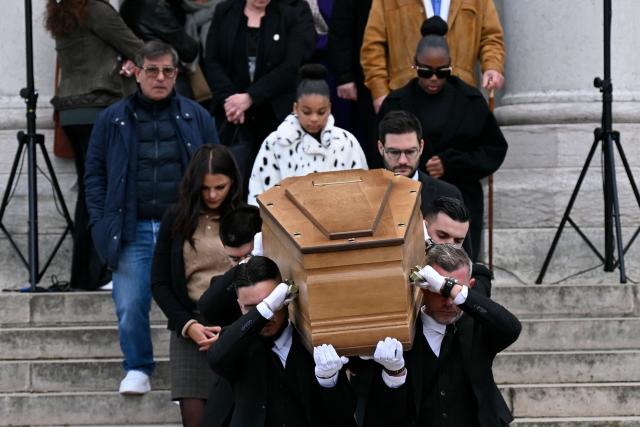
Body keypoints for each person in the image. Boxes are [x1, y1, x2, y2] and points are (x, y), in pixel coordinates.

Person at [85, 40, 220, 395]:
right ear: (137, 72)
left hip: (184, 227)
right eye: (152, 70)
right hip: (133, 227)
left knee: (199, 300)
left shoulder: (196, 116)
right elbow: (94, 175)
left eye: (168, 71)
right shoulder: (111, 119)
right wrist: (100, 224)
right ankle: (138, 367)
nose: (160, 78)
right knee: (130, 303)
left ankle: (199, 376)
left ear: (176, 75)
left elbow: (215, 167)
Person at [379, 18, 508, 261]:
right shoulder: (397, 102)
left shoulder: (470, 100)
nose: (434, 79)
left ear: (452, 66)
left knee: (461, 261)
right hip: (405, 199)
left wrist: (452, 164)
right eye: (426, 72)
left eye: (442, 72)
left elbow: (494, 150)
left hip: (461, 197)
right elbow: (379, 151)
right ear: (414, 65)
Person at [363, 244, 521, 426]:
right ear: (423, 287)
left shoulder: (478, 327)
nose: (448, 302)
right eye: (438, 291)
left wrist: (447, 286)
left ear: (469, 287)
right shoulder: (402, 333)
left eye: (453, 291)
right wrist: (393, 374)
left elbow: (511, 328)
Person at [45, 0, 143, 290]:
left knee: (89, 193)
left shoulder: (61, 10)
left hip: (72, 112)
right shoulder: (96, 9)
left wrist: (125, 61)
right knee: (104, 191)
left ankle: (83, 275)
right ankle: (98, 273)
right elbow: (137, 47)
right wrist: (132, 60)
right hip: (100, 108)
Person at [150, 144, 242, 426]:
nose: (213, 195)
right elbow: (159, 281)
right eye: (205, 188)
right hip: (190, 330)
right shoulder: (176, 219)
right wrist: (188, 325)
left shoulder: (246, 217)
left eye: (220, 187)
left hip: (235, 330)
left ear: (233, 184)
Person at [207, 255, 357, 426]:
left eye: (274, 302)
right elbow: (216, 357)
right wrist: (266, 307)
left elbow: (345, 411)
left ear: (286, 297)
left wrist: (330, 381)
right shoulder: (236, 344)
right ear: (240, 306)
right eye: (252, 308)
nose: (268, 316)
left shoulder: (312, 339)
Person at [203, 0, 316, 179]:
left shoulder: (289, 16)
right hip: (232, 114)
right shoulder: (224, 11)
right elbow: (211, 60)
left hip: (273, 112)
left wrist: (250, 97)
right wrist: (231, 101)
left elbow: (290, 66)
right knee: (233, 176)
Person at [248, 64, 368, 205]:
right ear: (295, 108)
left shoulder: (346, 142)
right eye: (307, 111)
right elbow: (259, 196)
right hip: (285, 225)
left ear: (329, 108)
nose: (314, 118)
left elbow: (362, 193)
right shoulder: (275, 143)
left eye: (321, 112)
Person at [361, 0, 505, 113]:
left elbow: (491, 38)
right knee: (412, 149)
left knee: (460, 150)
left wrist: (492, 66)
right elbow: (373, 46)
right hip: (406, 97)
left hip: (460, 97)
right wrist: (379, 91)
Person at [197, 205, 263, 427]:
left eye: (250, 255)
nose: (244, 263)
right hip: (237, 394)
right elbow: (207, 307)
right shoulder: (228, 284)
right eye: (235, 259)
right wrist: (243, 266)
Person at [377, 110, 461, 218]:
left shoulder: (448, 194)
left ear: (421, 147)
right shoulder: (363, 195)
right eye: (394, 152)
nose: (403, 161)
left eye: (410, 152)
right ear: (380, 148)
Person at [327, 0, 379, 167]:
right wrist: (344, 76)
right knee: (369, 136)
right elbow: (340, 28)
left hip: (401, 71)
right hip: (363, 73)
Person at [120, 0, 200, 98]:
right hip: (168, 79)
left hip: (144, 80)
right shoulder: (155, 7)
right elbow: (189, 50)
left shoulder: (126, 6)